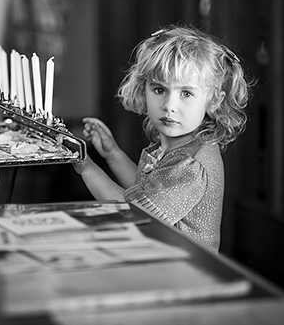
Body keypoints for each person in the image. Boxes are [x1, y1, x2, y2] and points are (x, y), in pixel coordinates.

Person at [73, 24, 252, 252]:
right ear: (142, 88)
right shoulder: (179, 143)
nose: (169, 106)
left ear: (214, 100)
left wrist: (87, 168)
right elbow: (144, 189)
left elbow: (134, 213)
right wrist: (112, 154)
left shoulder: (191, 166)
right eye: (159, 90)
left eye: (186, 93)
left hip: (184, 275)